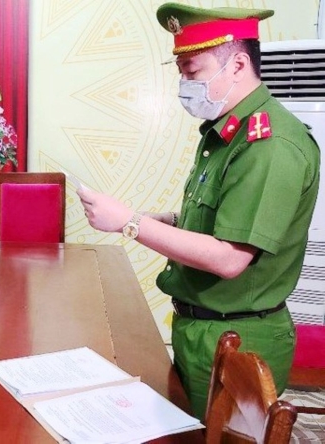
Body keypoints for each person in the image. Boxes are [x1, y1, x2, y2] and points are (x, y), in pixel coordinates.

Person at [77, 4, 320, 419]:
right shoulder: (227, 132)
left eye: (192, 71)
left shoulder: (269, 144)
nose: (184, 84)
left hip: (239, 338)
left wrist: (130, 223)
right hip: (204, 328)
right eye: (180, 72)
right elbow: (224, 219)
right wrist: (170, 220)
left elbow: (229, 258)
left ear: (238, 64)